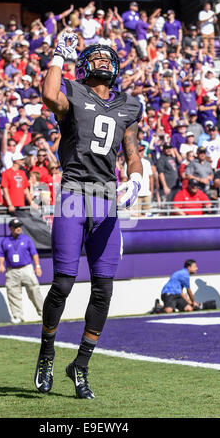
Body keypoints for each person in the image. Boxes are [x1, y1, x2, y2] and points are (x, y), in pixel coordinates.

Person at [34, 34, 142, 399]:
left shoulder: (128, 106)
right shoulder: (74, 94)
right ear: (82, 66)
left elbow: (131, 149)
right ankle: (47, 352)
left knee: (104, 289)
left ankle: (80, 365)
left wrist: (137, 177)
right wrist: (57, 58)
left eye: (106, 56)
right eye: (94, 56)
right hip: (73, 195)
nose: (102, 61)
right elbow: (49, 95)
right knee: (63, 283)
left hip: (107, 201)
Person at [0, 217, 43, 324]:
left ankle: (43, 313)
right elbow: (1, 254)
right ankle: (17, 316)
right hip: (12, 270)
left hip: (26, 268)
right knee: (13, 293)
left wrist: (37, 266)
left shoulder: (26, 239)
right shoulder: (5, 241)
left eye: (19, 227)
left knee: (34, 290)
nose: (18, 229)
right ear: (10, 228)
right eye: (16, 227)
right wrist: (1, 265)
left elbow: (34, 254)